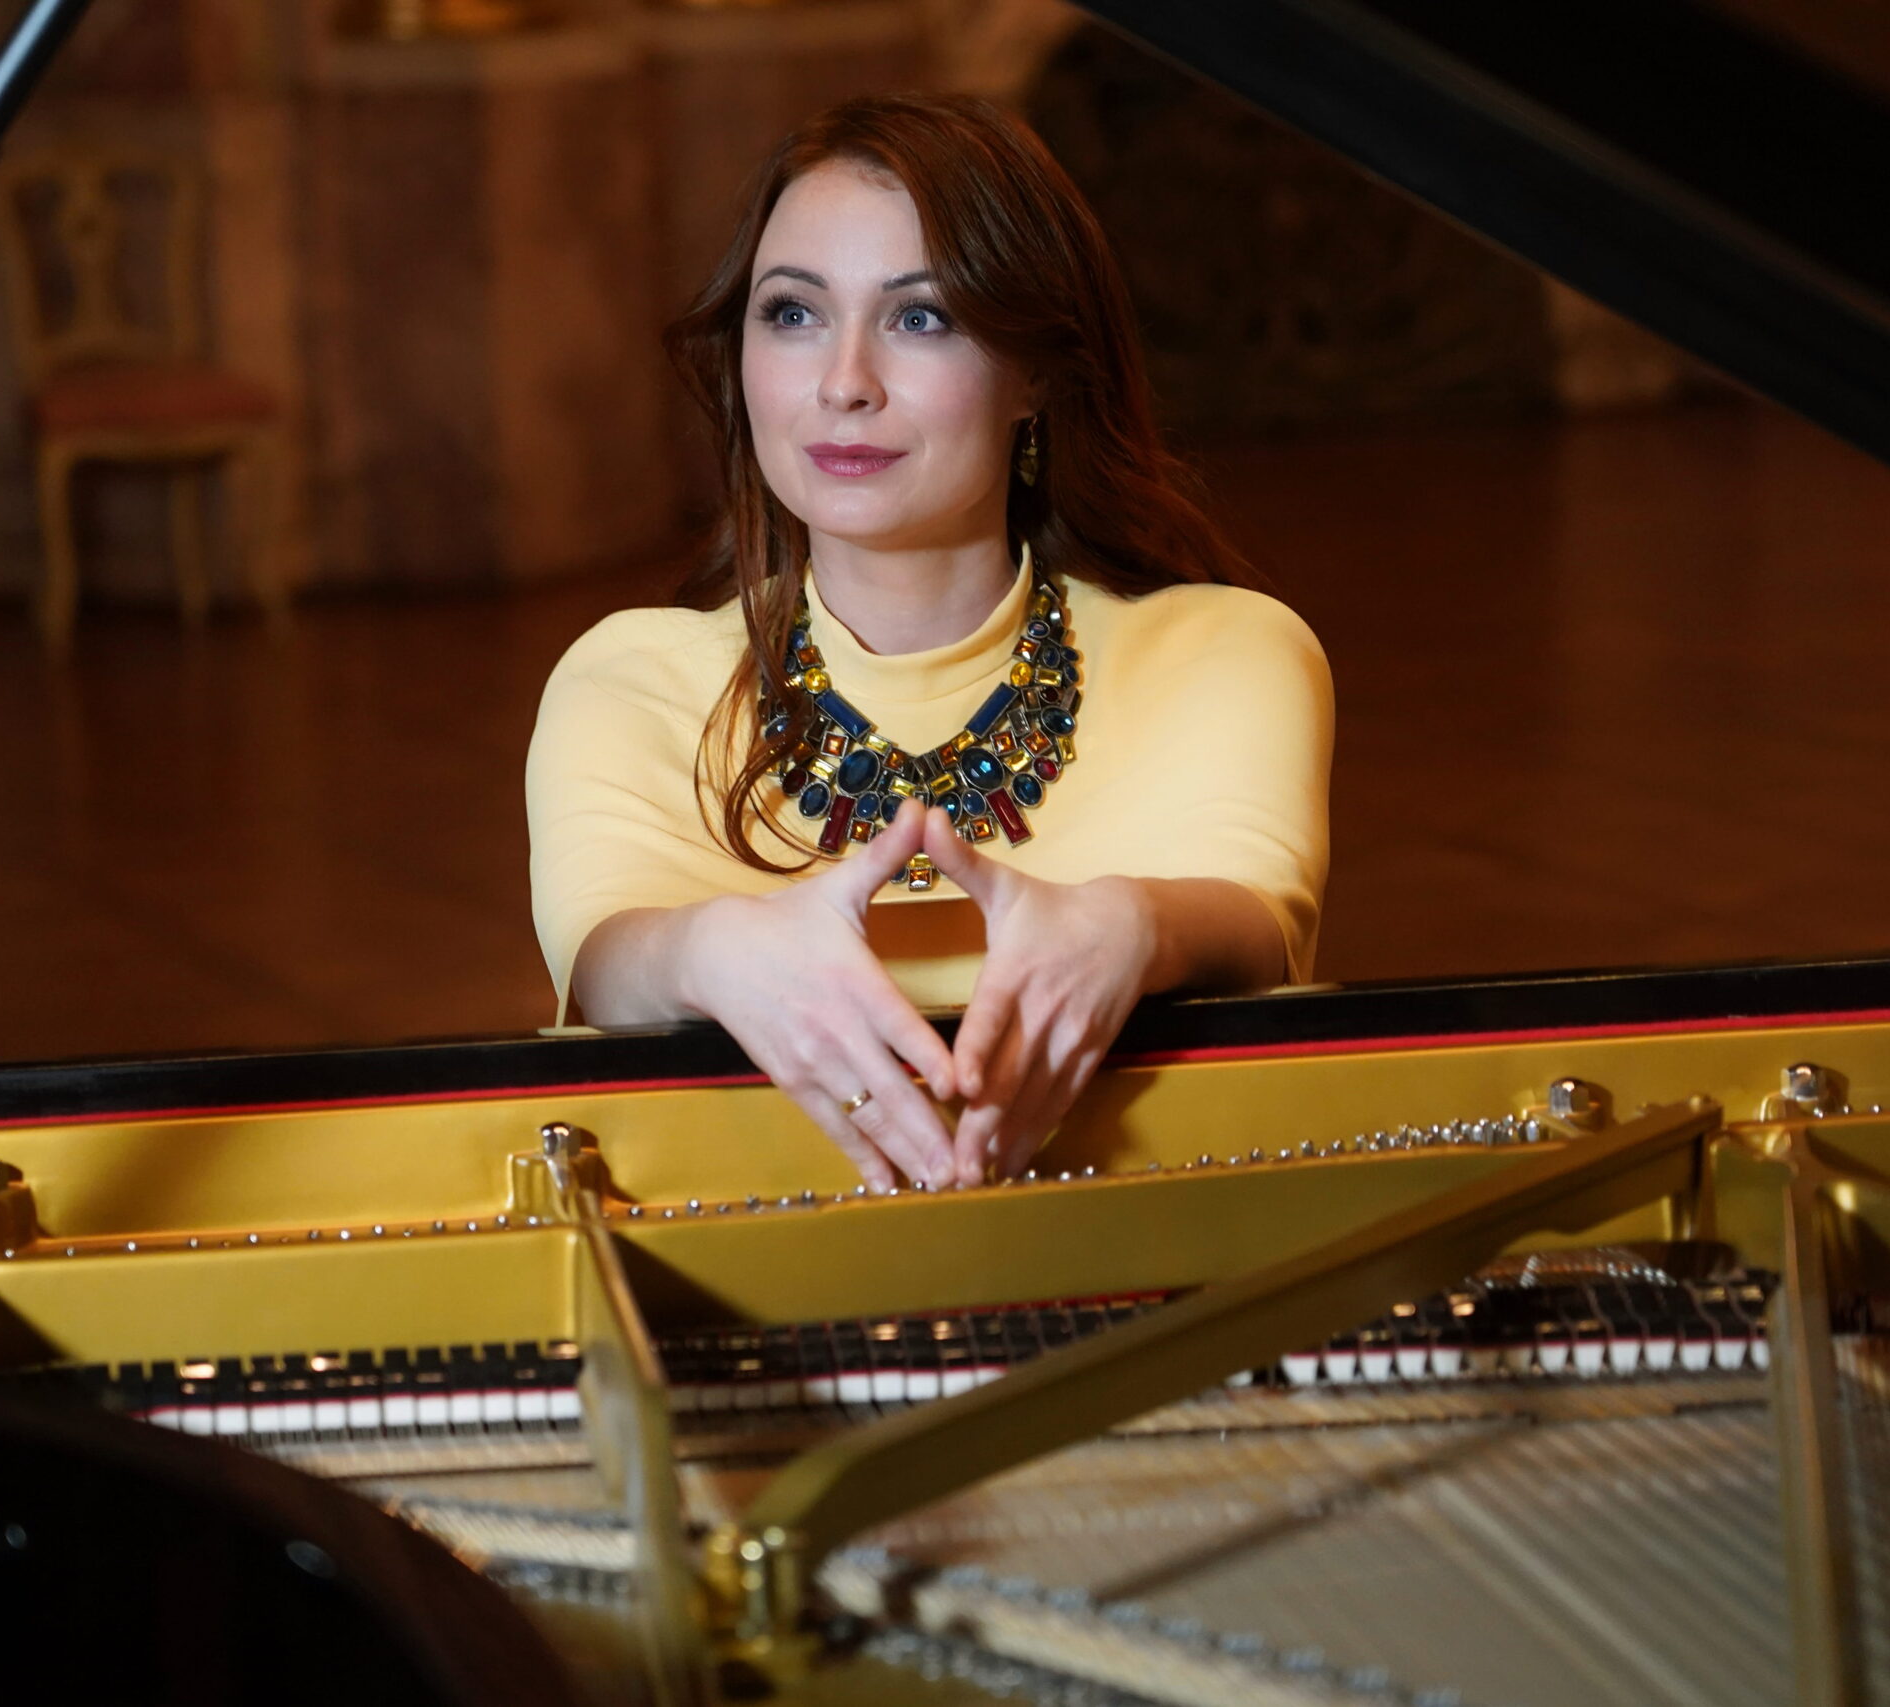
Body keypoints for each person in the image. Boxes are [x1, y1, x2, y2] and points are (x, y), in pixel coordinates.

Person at [527, 94, 1331, 1194]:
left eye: (921, 318)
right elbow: (606, 963)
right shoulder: (627, 682)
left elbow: (1256, 926)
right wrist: (703, 953)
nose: (843, 382)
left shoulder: (1223, 655)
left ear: (1037, 372)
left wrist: (1132, 925)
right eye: (793, 313)